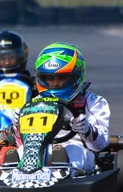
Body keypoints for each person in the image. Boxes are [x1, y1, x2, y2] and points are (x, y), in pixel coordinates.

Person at [8, 42, 110, 173]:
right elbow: (21, 143)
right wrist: (17, 126)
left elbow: (100, 144)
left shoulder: (93, 102)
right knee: (21, 152)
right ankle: (11, 173)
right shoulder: (34, 103)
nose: (54, 84)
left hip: (80, 150)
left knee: (72, 150)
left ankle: (63, 171)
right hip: (40, 150)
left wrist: (87, 130)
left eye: (61, 78)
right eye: (48, 78)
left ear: (75, 77)